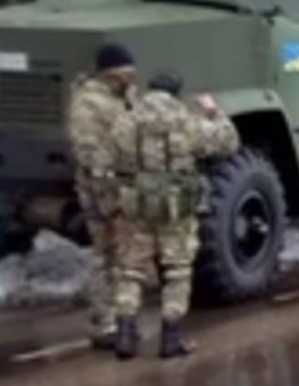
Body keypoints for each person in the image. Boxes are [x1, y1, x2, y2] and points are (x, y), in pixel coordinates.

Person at [109, 68, 239, 360]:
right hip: (175, 205)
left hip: (137, 201)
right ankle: (171, 339)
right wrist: (213, 111)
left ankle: (126, 336)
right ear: (176, 92)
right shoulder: (187, 122)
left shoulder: (126, 121)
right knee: (177, 270)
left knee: (130, 269)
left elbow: (111, 153)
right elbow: (228, 142)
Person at [66, 42, 138, 349]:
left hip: (120, 186)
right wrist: (110, 192)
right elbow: (89, 151)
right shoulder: (88, 104)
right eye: (127, 72)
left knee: (123, 257)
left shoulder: (117, 98)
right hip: (102, 190)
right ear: (112, 72)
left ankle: (119, 319)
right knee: (107, 256)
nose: (131, 78)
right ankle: (104, 322)